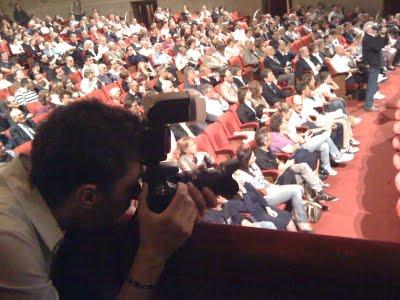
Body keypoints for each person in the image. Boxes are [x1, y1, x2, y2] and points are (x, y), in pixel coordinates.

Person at [0, 100, 216, 299]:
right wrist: (153, 254)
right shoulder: (10, 241)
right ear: (88, 197)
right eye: (132, 188)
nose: (137, 196)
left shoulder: (36, 181)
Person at [232, 147, 312, 232]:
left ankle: (296, 214)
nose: (255, 158)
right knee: (296, 191)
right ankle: (302, 222)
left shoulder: (253, 165)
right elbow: (251, 192)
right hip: (264, 196)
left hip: (270, 188)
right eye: (252, 157)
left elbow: (262, 179)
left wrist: (273, 186)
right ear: (246, 161)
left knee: (300, 188)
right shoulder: (239, 175)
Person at [362, 21, 388, 112]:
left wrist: (383, 34)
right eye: (373, 27)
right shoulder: (367, 38)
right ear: (368, 29)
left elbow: (384, 43)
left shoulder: (372, 37)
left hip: (374, 64)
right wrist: (380, 34)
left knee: (373, 85)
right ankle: (368, 105)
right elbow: (378, 47)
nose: (374, 29)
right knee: (372, 86)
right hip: (372, 64)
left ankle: (370, 103)